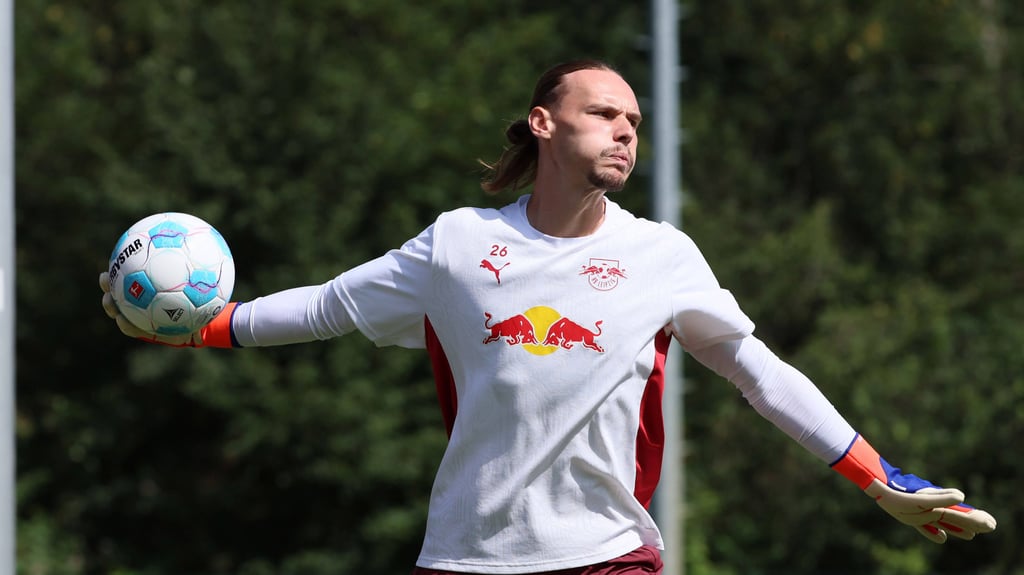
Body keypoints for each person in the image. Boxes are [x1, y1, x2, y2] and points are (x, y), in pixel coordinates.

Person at [100, 59, 996, 574]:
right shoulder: (455, 245)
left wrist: (879, 473)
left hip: (608, 557)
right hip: (465, 558)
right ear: (542, 122)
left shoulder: (663, 256)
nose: (624, 130)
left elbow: (762, 374)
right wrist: (209, 328)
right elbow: (333, 305)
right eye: (603, 112)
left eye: (634, 120)